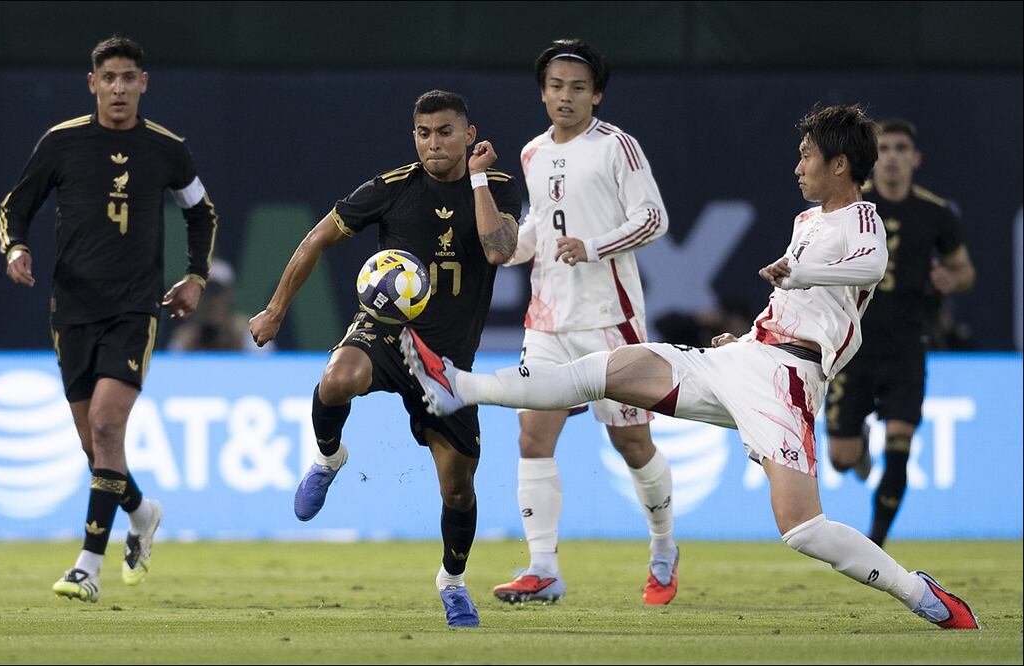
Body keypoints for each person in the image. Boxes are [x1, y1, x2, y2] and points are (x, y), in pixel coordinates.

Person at [402, 104, 979, 630]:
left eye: (807, 155)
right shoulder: (808, 223)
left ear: (841, 164)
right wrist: (748, 334)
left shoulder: (864, 221)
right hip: (749, 357)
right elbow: (797, 309)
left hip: (787, 382)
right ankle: (461, 386)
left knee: (802, 529)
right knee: (616, 366)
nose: (798, 166)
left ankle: (919, 593)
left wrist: (801, 276)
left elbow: (869, 267)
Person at [248, 90, 520, 627]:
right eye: (423, 133)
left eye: (445, 132)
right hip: (389, 336)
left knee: (458, 488)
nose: (433, 143)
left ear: (469, 134)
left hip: (449, 366)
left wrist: (480, 180)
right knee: (337, 379)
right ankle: (329, 458)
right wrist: (276, 308)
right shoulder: (391, 188)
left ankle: (453, 580)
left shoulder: (501, 186)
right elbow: (316, 239)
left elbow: (499, 250)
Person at [0, 36, 219, 603]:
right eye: (109, 78)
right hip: (70, 309)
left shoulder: (168, 149)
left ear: (144, 83)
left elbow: (202, 213)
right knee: (96, 449)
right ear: (92, 83)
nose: (119, 87)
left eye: (129, 77)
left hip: (134, 308)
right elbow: (15, 206)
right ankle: (142, 513)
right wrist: (15, 248)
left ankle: (87, 567)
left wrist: (196, 276)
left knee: (105, 424)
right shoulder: (61, 143)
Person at [493, 38, 677, 605]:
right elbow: (536, 235)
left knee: (632, 441)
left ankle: (664, 547)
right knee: (532, 433)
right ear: (543, 93)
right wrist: (506, 246)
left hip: (609, 321)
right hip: (546, 322)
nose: (565, 97)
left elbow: (654, 219)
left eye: (578, 87)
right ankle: (543, 567)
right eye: (556, 86)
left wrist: (593, 246)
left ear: (596, 94)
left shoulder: (617, 147)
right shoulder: (530, 154)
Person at [825, 119, 975, 546]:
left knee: (902, 439)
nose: (891, 156)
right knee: (842, 458)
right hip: (854, 343)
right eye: (884, 148)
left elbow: (965, 270)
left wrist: (952, 278)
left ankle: (876, 542)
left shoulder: (935, 212)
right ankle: (860, 442)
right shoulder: (851, 207)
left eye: (900, 148)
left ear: (915, 158)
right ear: (874, 159)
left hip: (908, 343)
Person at [168, 257, 273, 352]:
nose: (211, 300)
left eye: (216, 291)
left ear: (230, 296)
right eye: (205, 292)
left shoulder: (250, 336)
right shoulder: (184, 340)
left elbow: (268, 369)